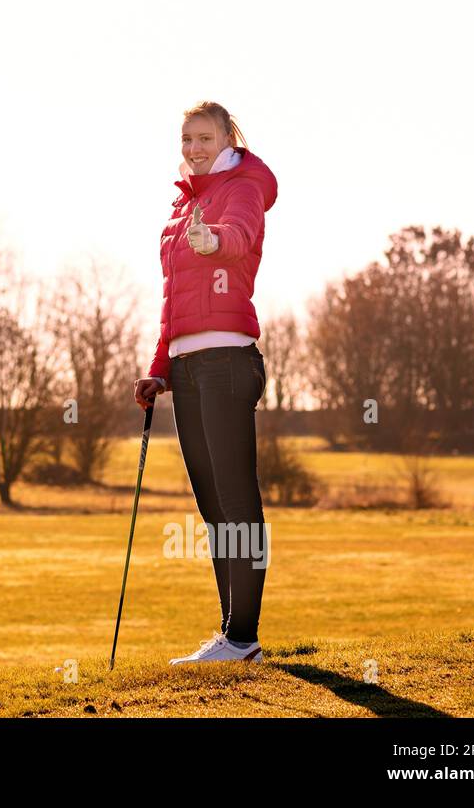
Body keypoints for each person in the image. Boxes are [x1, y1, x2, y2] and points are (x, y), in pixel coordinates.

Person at [133, 101, 278, 664]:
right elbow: (173, 306)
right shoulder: (183, 207)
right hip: (190, 368)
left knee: (238, 501)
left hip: (228, 362)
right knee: (215, 508)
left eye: (204, 137)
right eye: (186, 138)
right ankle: (230, 636)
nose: (194, 148)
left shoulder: (243, 184)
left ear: (227, 137)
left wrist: (213, 242)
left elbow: (240, 233)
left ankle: (244, 637)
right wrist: (159, 367)